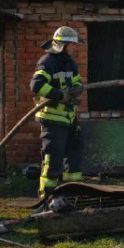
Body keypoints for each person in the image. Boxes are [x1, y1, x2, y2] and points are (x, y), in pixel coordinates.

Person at [30, 26, 85, 198]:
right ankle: (46, 197)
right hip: (52, 119)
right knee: (53, 159)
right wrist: (59, 95)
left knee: (73, 158)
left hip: (69, 118)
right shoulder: (47, 62)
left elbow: (76, 80)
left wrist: (77, 87)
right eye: (72, 45)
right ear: (63, 45)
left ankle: (70, 194)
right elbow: (36, 85)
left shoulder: (70, 63)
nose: (75, 48)